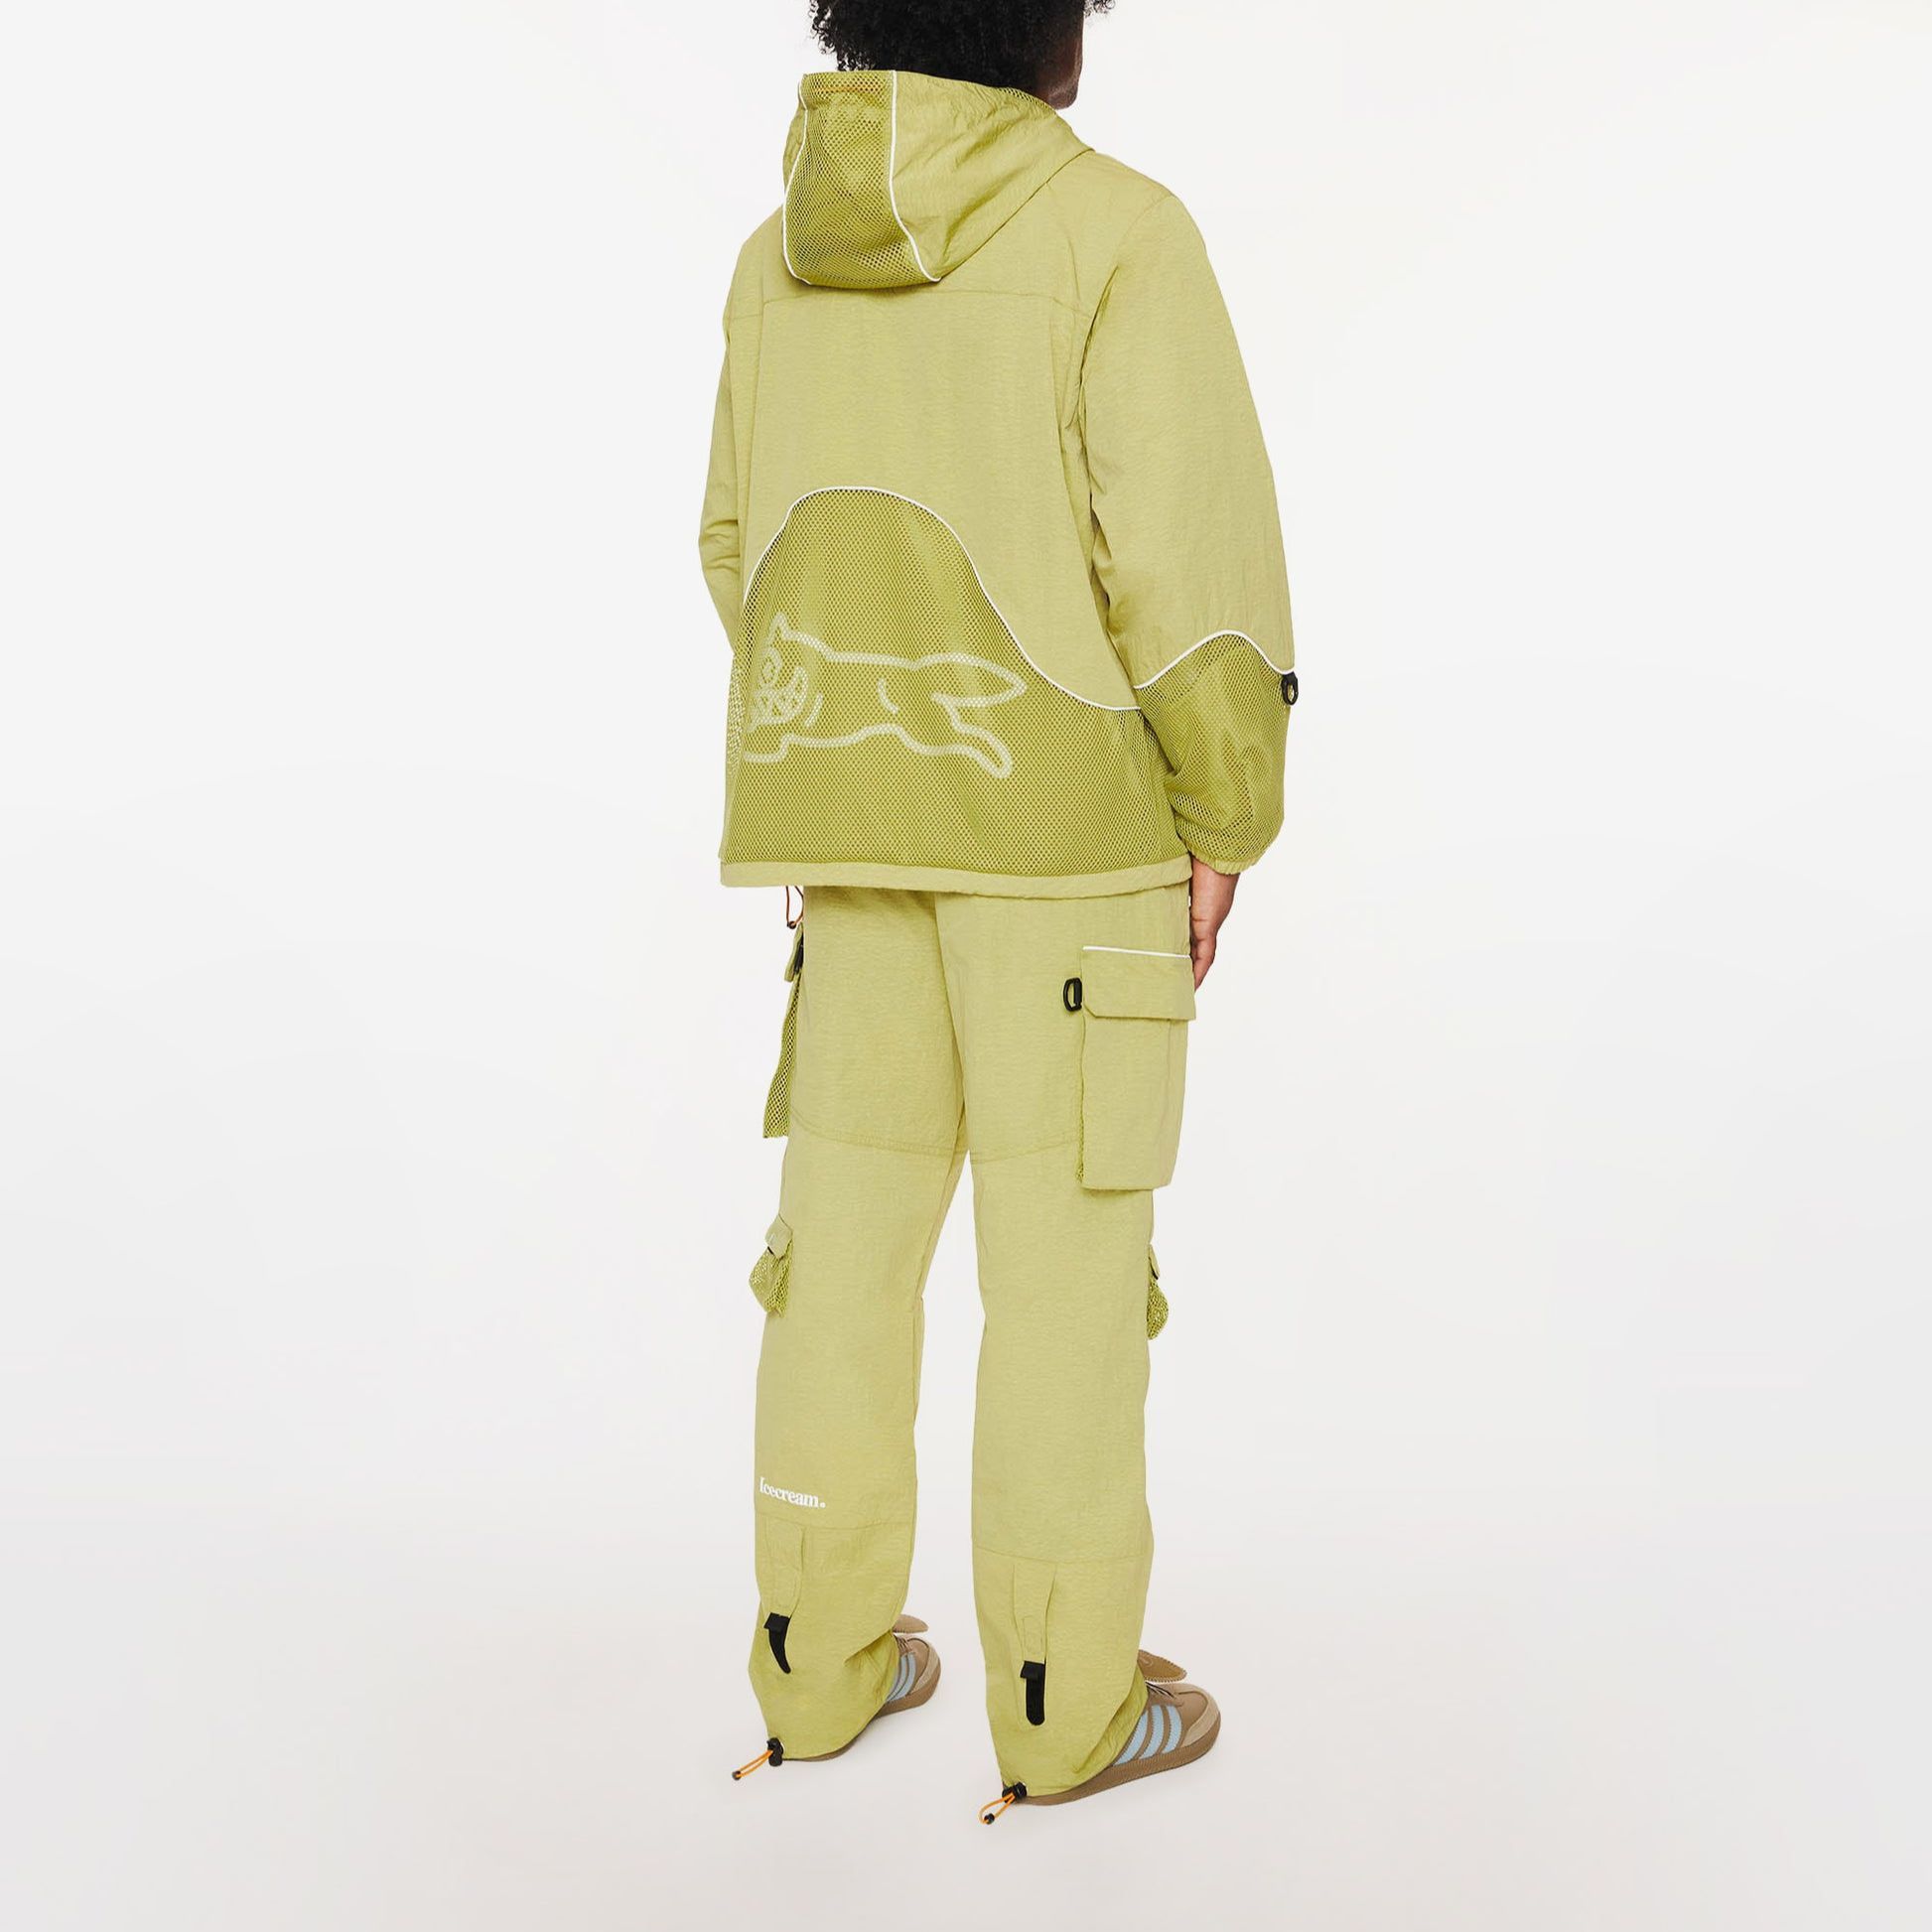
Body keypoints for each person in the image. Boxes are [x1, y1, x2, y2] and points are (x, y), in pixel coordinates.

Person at [700, 0, 1296, 1818]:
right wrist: (1226, 812)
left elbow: (736, 546)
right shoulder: (1116, 231)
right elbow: (1187, 568)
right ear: (1056, 28)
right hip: (1072, 858)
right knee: (1063, 1291)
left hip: (847, 836)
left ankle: (814, 1675)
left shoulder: (777, 253)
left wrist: (851, 733)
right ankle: (1063, 1709)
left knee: (836, 1266)